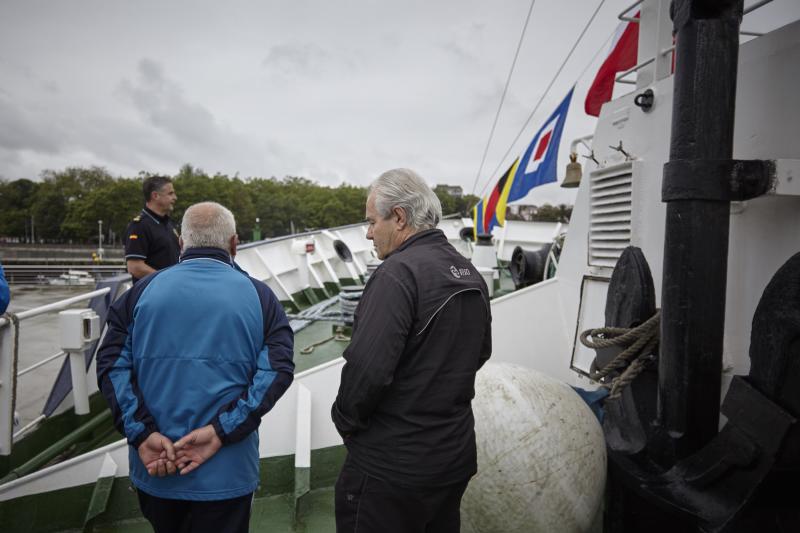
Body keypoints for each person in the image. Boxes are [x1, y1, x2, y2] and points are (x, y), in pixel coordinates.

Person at [97, 201, 294, 533]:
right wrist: (221, 430)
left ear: (181, 243)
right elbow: (277, 371)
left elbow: (111, 366)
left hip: (156, 466)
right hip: (228, 473)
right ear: (234, 243)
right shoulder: (261, 298)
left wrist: (142, 434)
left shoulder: (139, 294)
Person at [331, 168, 492, 533]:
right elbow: (480, 353)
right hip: (451, 461)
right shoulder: (470, 274)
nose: (369, 232)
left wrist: (345, 421)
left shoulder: (397, 274)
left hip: (391, 471)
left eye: (372, 222)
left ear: (399, 217)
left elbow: (367, 371)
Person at [124, 175, 180, 281]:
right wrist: (167, 279)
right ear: (155, 195)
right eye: (170, 193)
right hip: (153, 293)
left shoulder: (168, 224)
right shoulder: (139, 226)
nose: (175, 197)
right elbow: (135, 267)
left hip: (170, 290)